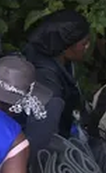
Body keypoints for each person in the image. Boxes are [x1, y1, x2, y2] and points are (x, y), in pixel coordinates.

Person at [22, 9, 91, 150]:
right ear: (66, 48)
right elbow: (40, 140)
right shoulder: (49, 87)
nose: (88, 47)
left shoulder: (56, 58)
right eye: (84, 44)